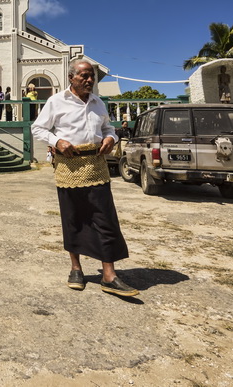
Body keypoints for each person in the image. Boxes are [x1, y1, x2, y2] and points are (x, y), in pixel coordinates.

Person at [31, 60, 138, 297]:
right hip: (69, 166)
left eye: (92, 76)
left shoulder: (98, 102)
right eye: (84, 76)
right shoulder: (56, 101)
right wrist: (57, 142)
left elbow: (108, 128)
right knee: (73, 218)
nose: (89, 80)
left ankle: (108, 274)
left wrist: (111, 139)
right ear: (71, 78)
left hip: (96, 165)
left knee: (105, 218)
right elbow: (37, 129)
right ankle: (76, 268)